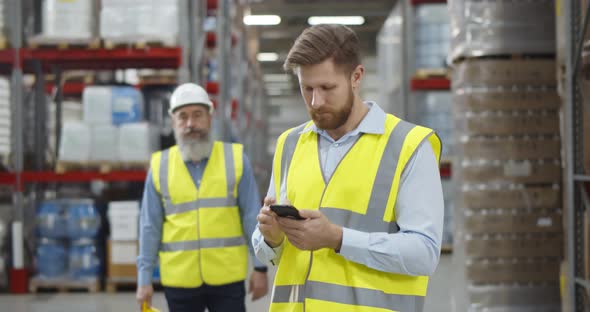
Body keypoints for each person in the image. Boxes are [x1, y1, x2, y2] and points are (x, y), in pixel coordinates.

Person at [252, 24, 444, 312]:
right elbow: (271, 255)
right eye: (307, 89)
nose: (316, 102)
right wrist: (271, 239)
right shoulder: (289, 144)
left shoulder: (408, 146)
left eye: (328, 88)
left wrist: (338, 238)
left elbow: (424, 254)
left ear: (356, 77)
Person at [136, 83, 269, 312]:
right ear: (173, 122)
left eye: (197, 115)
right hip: (180, 279)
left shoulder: (235, 159)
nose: (190, 124)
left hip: (227, 276)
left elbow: (251, 217)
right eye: (183, 117)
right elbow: (150, 226)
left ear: (210, 117)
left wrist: (260, 267)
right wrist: (144, 278)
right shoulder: (160, 166)